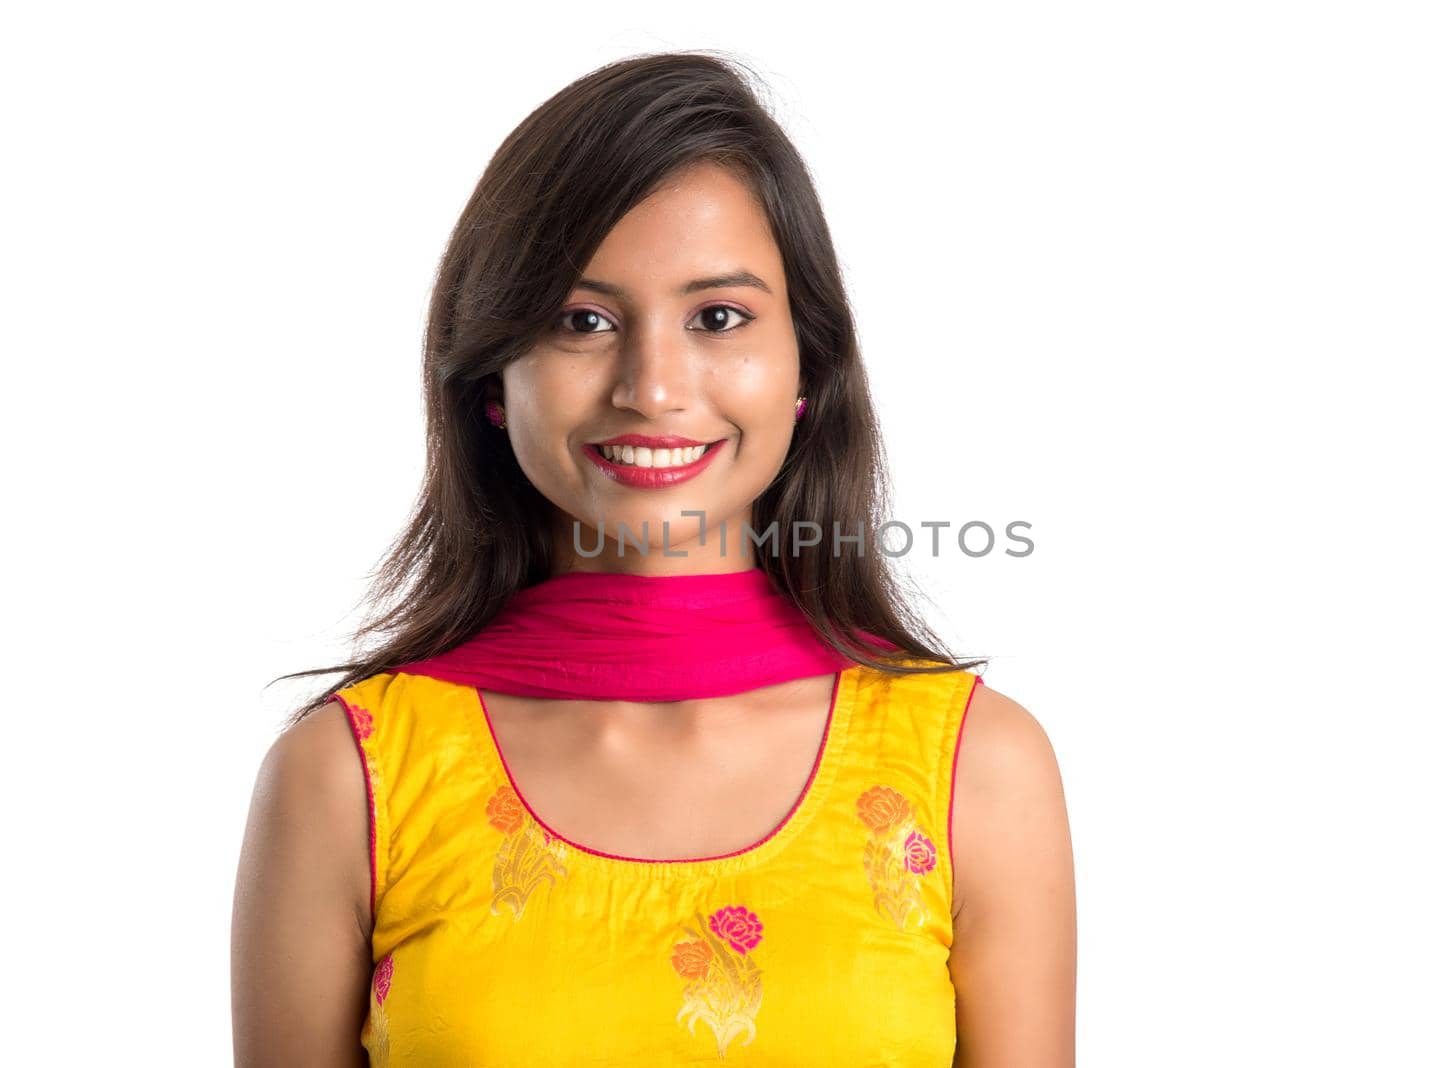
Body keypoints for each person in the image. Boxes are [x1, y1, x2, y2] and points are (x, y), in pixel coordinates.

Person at [231, 50, 1076, 1067]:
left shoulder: (976, 769)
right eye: (581, 321)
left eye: (718, 317)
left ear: (806, 367)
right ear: (492, 381)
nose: (653, 387)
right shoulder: (349, 777)